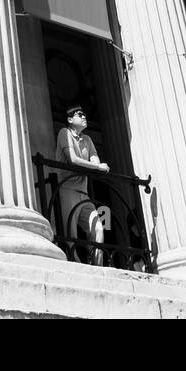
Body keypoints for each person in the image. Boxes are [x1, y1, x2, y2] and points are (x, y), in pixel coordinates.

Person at [55, 106, 109, 264]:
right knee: (70, 233)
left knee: (98, 228)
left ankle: (97, 264)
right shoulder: (64, 133)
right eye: (80, 115)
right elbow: (73, 159)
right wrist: (97, 166)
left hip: (84, 192)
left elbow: (95, 159)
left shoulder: (87, 140)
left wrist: (96, 165)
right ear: (70, 120)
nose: (84, 116)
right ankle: (75, 262)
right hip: (67, 189)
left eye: (85, 114)